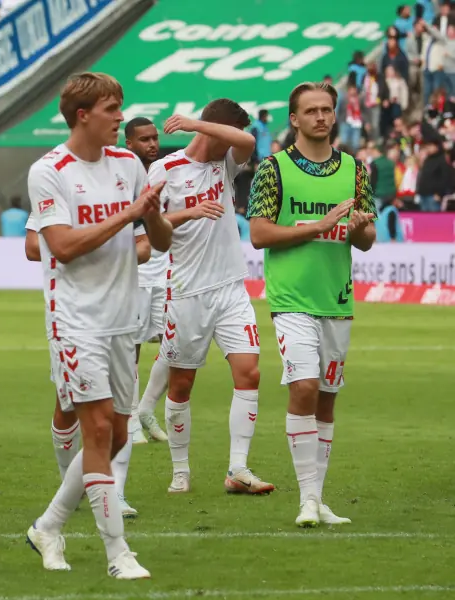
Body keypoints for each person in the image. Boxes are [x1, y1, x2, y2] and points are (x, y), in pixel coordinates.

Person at [24, 72, 171, 579]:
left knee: (114, 437)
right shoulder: (49, 171)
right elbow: (61, 246)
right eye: (113, 109)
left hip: (121, 320)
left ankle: (48, 525)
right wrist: (130, 213)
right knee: (99, 428)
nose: (121, 118)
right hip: (74, 320)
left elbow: (163, 241)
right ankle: (118, 553)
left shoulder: (130, 164)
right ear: (83, 114)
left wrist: (151, 215)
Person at [247, 81, 375, 527]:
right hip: (291, 299)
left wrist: (356, 226)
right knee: (302, 387)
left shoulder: (356, 170)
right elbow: (260, 234)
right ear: (295, 119)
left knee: (325, 400)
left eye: (327, 110)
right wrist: (319, 225)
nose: (321, 117)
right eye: (311, 111)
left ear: (334, 115)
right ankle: (305, 499)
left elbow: (368, 240)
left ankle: (319, 499)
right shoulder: (273, 169)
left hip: (336, 301)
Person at [147, 99, 272, 496]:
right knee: (182, 384)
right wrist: (190, 213)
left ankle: (238, 468)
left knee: (249, 372)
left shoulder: (226, 164)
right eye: (220, 135)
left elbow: (246, 140)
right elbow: (153, 228)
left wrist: (196, 124)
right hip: (186, 291)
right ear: (210, 132)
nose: (229, 145)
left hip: (231, 288)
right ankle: (180, 470)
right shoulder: (163, 170)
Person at [122, 117, 169, 444]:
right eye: (144, 139)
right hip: (135, 272)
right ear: (130, 143)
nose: (152, 144)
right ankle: (128, 419)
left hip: (167, 268)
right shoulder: (121, 176)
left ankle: (146, 408)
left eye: (154, 138)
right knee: (131, 349)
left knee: (178, 344)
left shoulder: (168, 169)